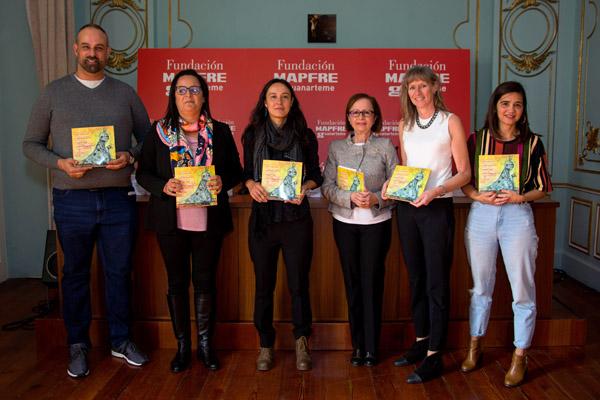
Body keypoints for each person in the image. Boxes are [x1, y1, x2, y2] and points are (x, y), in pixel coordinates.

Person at [22, 24, 151, 378]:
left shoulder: (125, 94)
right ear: (75, 49)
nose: (93, 53)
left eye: (100, 47)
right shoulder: (53, 94)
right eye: (86, 46)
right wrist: (59, 163)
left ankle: (121, 340)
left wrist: (129, 156)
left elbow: (149, 140)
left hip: (117, 199)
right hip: (71, 199)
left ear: (108, 52)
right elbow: (30, 144)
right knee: (75, 274)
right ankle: (77, 343)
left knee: (120, 273)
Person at [136, 69, 242, 373]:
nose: (188, 96)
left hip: (209, 221)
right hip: (171, 222)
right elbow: (143, 172)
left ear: (204, 95)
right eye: (181, 90)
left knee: (206, 283)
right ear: (173, 96)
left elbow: (236, 170)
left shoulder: (220, 131)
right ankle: (183, 346)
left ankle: (206, 346)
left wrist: (224, 180)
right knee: (177, 283)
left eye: (194, 90)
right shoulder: (158, 131)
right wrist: (162, 187)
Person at [460, 81, 551, 387]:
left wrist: (520, 197)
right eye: (505, 103)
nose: (511, 110)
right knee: (481, 286)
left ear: (523, 110)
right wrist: (476, 195)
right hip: (483, 215)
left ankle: (520, 354)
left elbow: (543, 188)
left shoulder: (533, 143)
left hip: (517, 216)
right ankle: (475, 345)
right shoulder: (478, 139)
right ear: (495, 106)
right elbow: (464, 179)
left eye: (518, 105)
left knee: (522, 287)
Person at [383, 65, 471, 383]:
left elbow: (464, 173)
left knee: (436, 281)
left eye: (422, 85)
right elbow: (407, 169)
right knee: (416, 278)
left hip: (437, 208)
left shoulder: (451, 121)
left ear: (435, 87)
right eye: (411, 87)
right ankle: (421, 342)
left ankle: (436, 353)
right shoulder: (405, 123)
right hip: (408, 209)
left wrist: (438, 190)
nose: (417, 92)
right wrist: (391, 186)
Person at [242, 78, 322, 372]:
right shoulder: (252, 134)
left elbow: (316, 174)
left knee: (299, 285)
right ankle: (265, 344)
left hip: (296, 221)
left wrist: (306, 186)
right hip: (263, 221)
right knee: (264, 286)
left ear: (292, 102)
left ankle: (302, 341)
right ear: (264, 102)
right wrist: (250, 184)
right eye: (273, 96)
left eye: (285, 96)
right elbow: (245, 173)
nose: (279, 102)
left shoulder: (305, 135)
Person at [321, 93, 398, 367]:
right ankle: (358, 346)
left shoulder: (387, 146)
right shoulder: (336, 148)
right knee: (353, 284)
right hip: (345, 224)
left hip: (377, 225)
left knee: (372, 284)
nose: (361, 117)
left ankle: (372, 347)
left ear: (375, 118)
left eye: (366, 112)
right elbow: (327, 186)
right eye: (355, 112)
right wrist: (349, 198)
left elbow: (398, 185)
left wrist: (377, 198)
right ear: (348, 118)